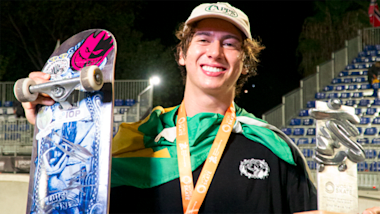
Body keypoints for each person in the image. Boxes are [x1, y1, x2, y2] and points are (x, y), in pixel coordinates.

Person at [20, 2, 380, 214]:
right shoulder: (134, 145)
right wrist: (56, 126)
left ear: (245, 62)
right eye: (203, 39)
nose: (215, 52)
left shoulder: (277, 150)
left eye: (231, 44)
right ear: (182, 54)